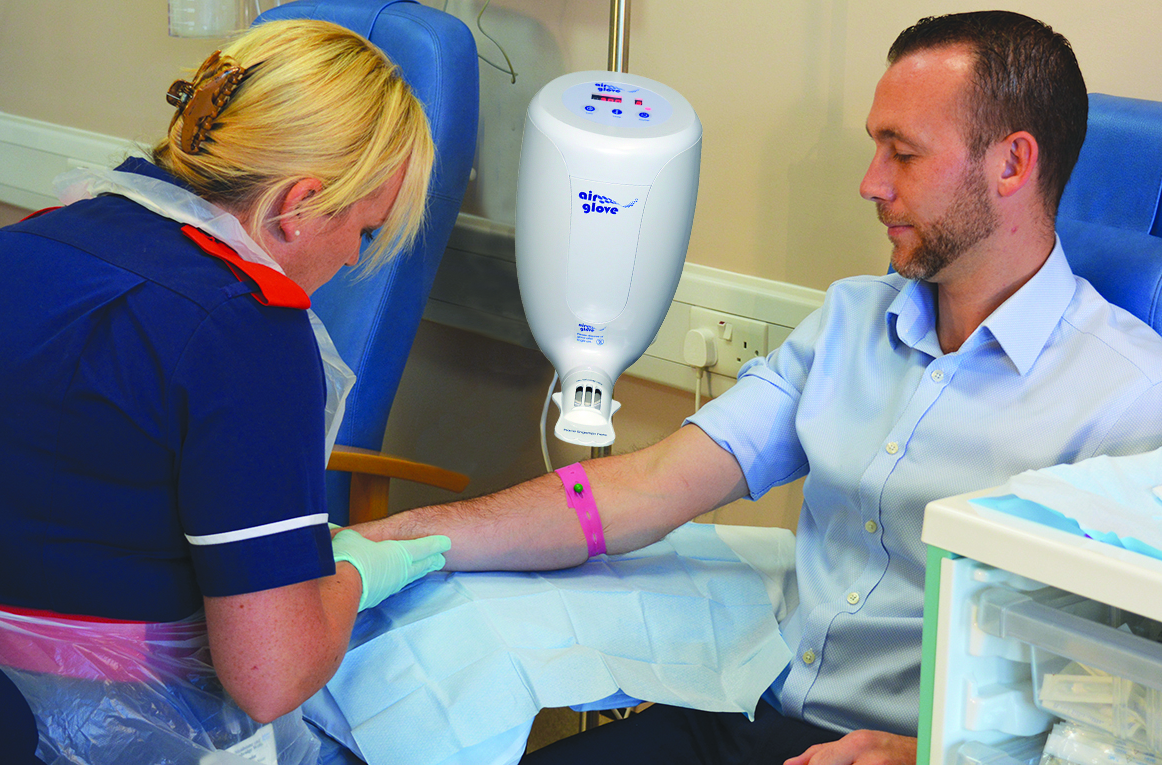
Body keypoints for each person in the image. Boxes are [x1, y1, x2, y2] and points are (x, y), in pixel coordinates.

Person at [353, 11, 1162, 765]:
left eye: (902, 152)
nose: (870, 183)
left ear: (1012, 162)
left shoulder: (1128, 400)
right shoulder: (851, 320)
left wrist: (933, 754)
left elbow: (1125, 704)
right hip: (755, 708)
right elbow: (648, 485)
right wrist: (405, 542)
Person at [0, 19, 449, 765]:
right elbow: (271, 674)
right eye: (363, 228)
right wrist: (358, 567)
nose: (356, 255)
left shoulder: (16, 245)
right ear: (296, 204)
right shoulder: (245, 332)